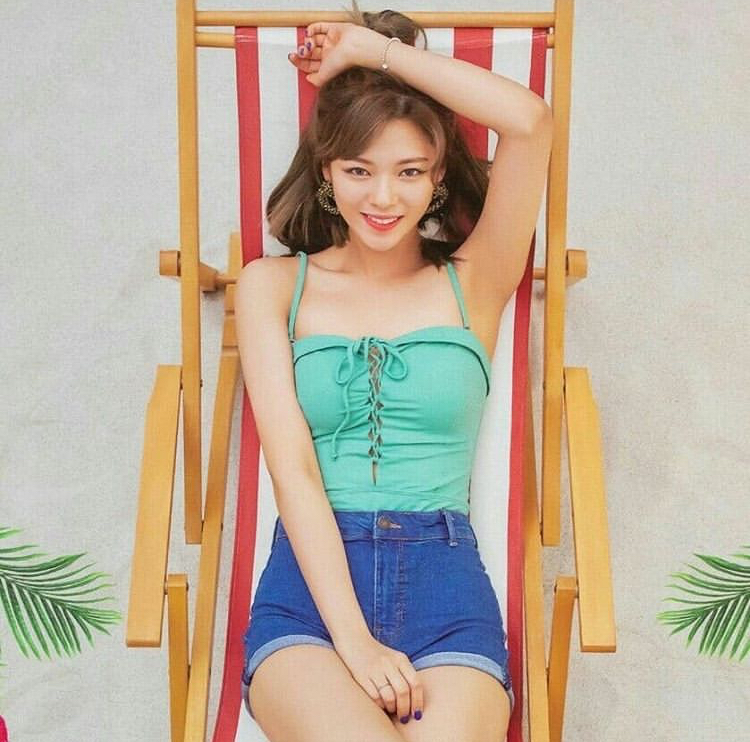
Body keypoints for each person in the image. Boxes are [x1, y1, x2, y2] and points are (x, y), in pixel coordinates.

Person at [234, 3, 553, 740]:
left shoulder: (474, 282)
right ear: (326, 172)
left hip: (448, 596)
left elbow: (530, 122)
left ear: (438, 178)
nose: (383, 198)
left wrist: (371, 51)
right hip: (309, 602)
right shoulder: (272, 287)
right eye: (359, 170)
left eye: (410, 172)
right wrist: (355, 642)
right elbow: (294, 473)